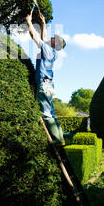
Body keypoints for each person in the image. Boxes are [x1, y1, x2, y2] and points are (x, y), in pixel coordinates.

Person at [26, 8, 66, 145]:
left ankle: (56, 140)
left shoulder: (48, 49)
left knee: (47, 114)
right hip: (49, 84)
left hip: (44, 84)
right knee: (52, 113)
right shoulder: (53, 52)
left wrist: (29, 22)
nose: (51, 38)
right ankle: (61, 140)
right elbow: (43, 38)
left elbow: (35, 37)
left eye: (54, 39)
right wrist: (43, 23)